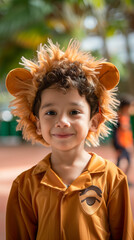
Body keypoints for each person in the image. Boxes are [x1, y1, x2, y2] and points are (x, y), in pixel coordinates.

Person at [6, 39, 134, 240]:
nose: (62, 121)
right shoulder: (24, 185)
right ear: (37, 123)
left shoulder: (113, 179)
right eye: (50, 112)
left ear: (94, 121)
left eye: (74, 111)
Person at [113, 97, 134, 175]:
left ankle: (125, 178)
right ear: (125, 107)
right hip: (120, 145)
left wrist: (130, 144)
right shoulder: (118, 117)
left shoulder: (127, 117)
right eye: (131, 106)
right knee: (119, 163)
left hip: (126, 144)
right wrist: (116, 146)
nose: (132, 108)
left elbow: (128, 133)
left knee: (128, 162)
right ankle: (116, 178)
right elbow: (115, 133)